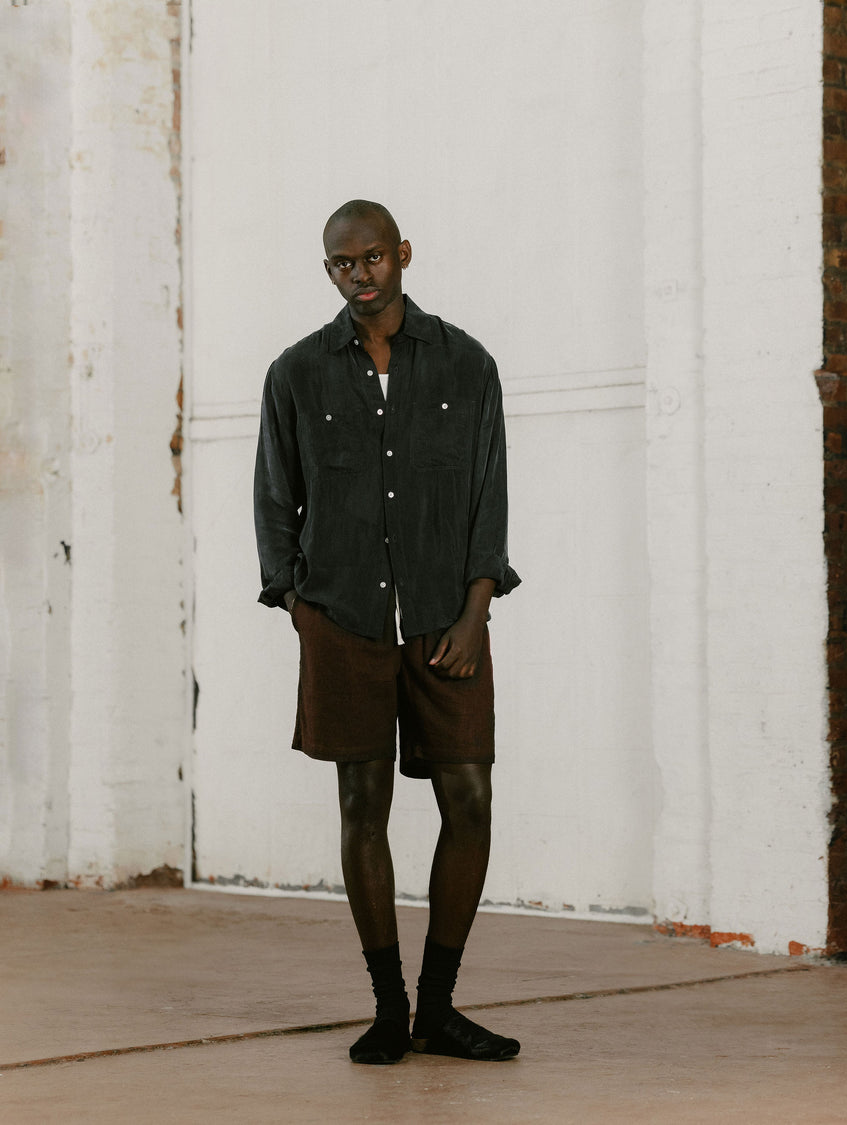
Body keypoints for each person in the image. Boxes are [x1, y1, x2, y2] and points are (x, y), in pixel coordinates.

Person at [254, 200, 520, 1065]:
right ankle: (389, 1005)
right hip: (346, 624)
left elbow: (490, 498)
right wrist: (301, 609)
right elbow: (274, 501)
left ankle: (440, 1004)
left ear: (402, 254)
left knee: (469, 799)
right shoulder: (296, 373)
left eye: (372, 258)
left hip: (449, 623)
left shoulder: (467, 364)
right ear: (328, 271)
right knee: (362, 806)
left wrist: (478, 610)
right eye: (341, 264)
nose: (359, 275)